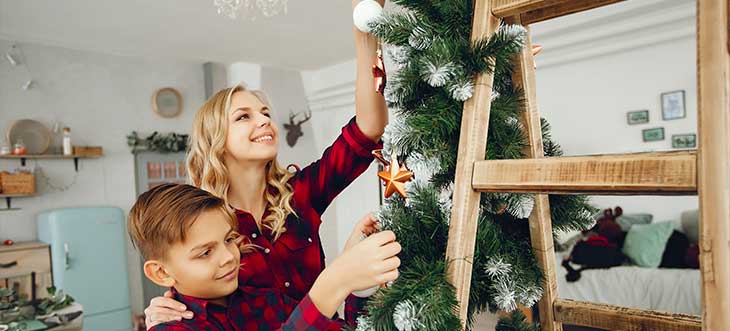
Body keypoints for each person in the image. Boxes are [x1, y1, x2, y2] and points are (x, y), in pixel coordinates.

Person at [130, 183, 400, 330]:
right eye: (205, 253)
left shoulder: (268, 301)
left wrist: (360, 286)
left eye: (229, 240)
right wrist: (333, 284)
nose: (228, 257)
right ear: (161, 273)